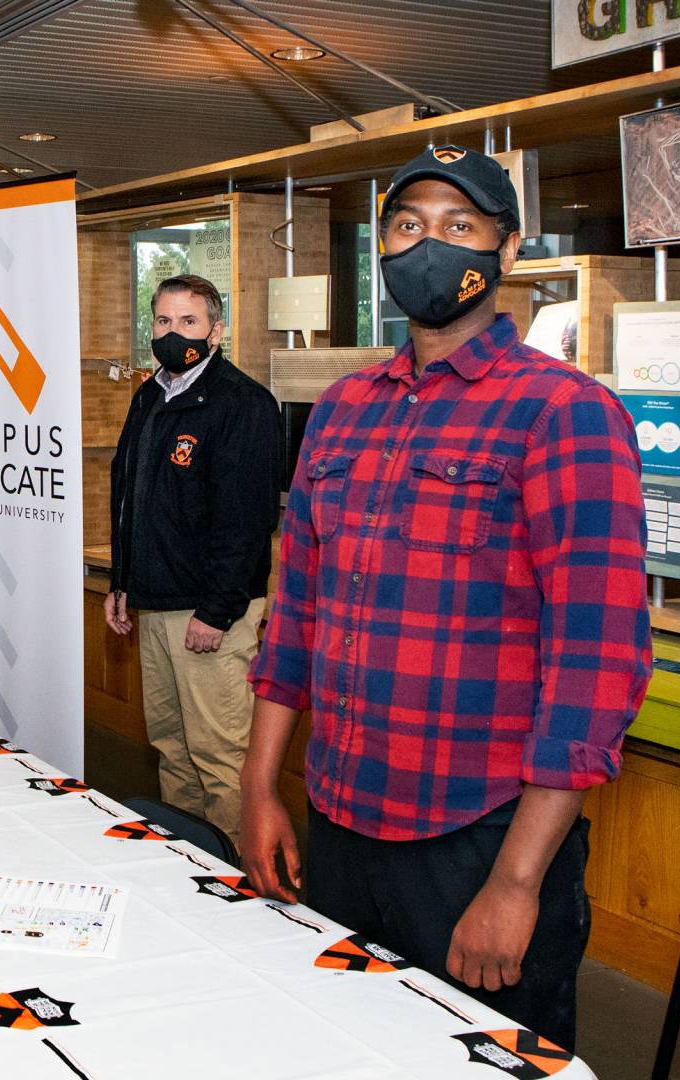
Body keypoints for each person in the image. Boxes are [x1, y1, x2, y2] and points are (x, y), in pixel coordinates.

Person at [240, 146, 651, 1051]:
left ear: (505, 253)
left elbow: (594, 664)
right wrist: (260, 784)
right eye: (408, 225)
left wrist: (515, 883)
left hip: (477, 838)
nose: (430, 243)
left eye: (460, 226)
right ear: (383, 249)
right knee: (343, 1050)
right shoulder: (343, 410)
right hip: (339, 818)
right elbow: (297, 612)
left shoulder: (565, 412)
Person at [106, 273, 282, 848]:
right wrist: (122, 581)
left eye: (188, 322)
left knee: (219, 756)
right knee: (171, 751)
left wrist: (218, 609)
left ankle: (236, 880)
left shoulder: (243, 404)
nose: (172, 333)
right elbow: (130, 495)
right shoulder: (150, 395)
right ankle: (188, 865)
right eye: (162, 321)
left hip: (209, 615)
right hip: (153, 606)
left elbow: (247, 521)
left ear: (217, 330)